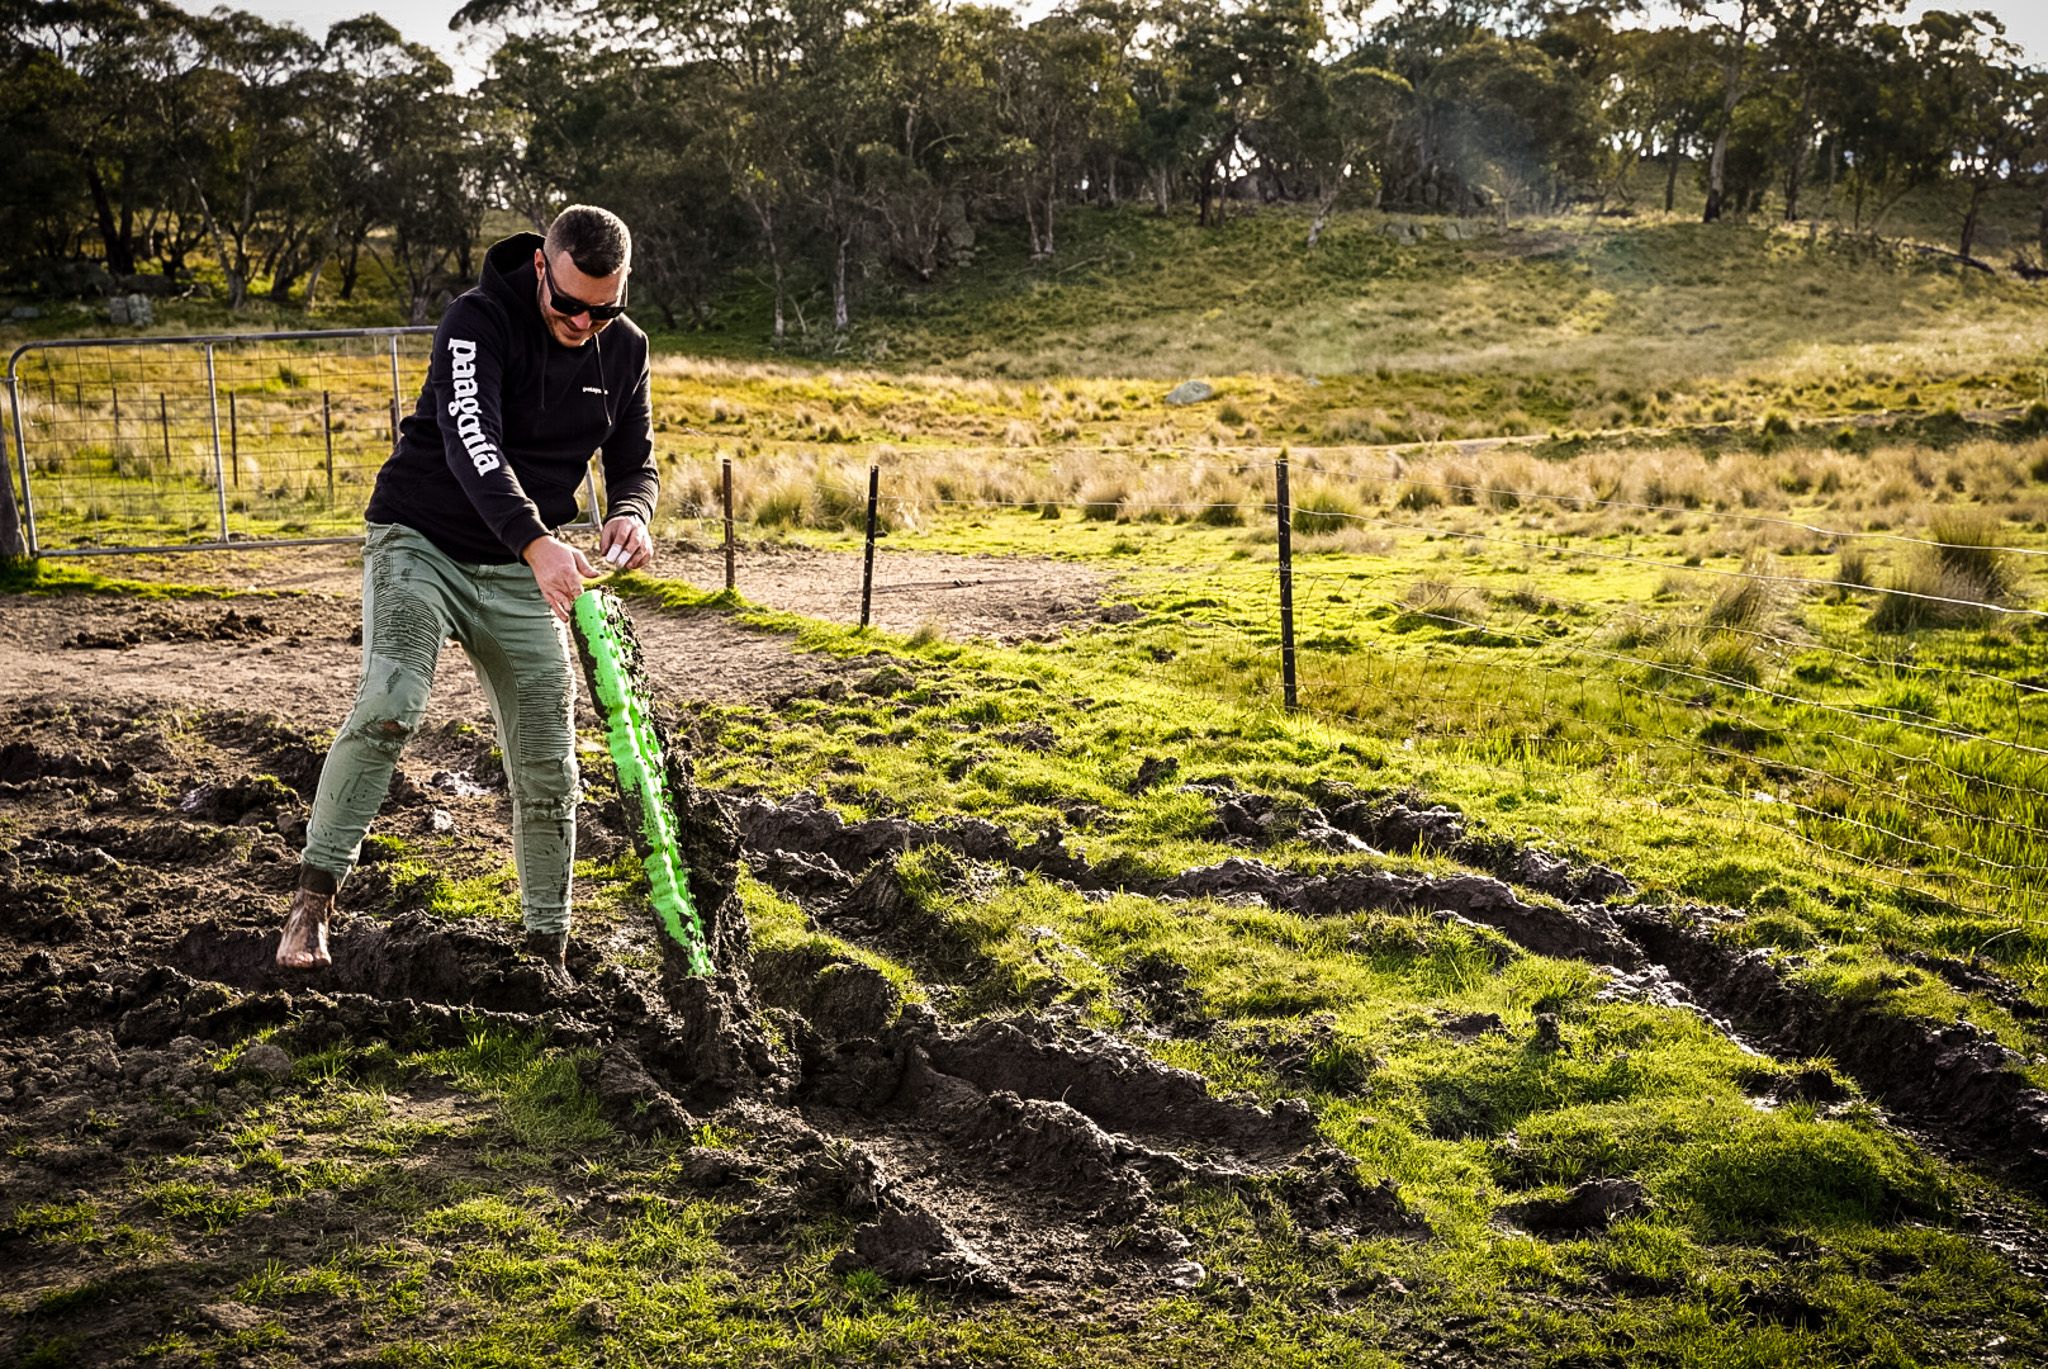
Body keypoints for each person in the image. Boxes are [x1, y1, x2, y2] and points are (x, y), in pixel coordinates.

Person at [275, 204, 658, 977]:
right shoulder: (475, 320)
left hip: (521, 570)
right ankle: (310, 906)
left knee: (552, 763)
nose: (585, 322)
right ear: (542, 268)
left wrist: (630, 513)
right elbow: (470, 438)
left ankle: (545, 951)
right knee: (392, 703)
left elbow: (634, 458)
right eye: (570, 304)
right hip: (422, 540)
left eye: (604, 308)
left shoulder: (624, 349)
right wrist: (537, 540)